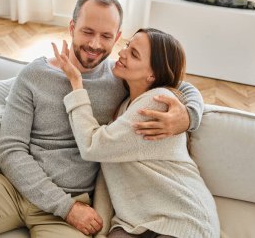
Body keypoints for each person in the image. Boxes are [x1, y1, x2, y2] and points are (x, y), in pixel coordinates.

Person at [0, 0, 204, 238]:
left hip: (75, 205)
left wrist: (189, 116)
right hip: (13, 190)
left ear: (117, 37)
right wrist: (63, 206)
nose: (95, 44)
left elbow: (175, 81)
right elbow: (10, 150)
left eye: (105, 35)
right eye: (87, 31)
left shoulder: (122, 80)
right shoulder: (34, 75)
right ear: (72, 27)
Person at [52, 28, 220, 238]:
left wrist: (76, 85)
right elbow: (109, 171)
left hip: (182, 218)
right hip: (134, 222)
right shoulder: (125, 105)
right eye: (127, 46)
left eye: (134, 54)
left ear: (152, 74)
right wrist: (101, 232)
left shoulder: (156, 102)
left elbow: (91, 146)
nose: (122, 53)